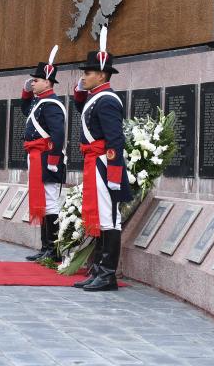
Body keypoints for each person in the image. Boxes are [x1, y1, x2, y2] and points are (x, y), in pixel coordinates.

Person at [72, 27, 130, 291]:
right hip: (95, 163)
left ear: (102, 75)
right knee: (100, 217)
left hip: (105, 165)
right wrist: (81, 88)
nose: (83, 77)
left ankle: (108, 274)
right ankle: (98, 269)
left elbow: (115, 139)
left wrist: (114, 173)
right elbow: (80, 106)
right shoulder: (95, 98)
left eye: (87, 73)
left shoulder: (107, 100)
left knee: (109, 218)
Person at [21, 46, 67, 263]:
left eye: (37, 80)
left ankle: (54, 249)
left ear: (48, 82)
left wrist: (54, 161)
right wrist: (25, 91)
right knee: (41, 201)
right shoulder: (38, 102)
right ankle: (45, 247)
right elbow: (25, 112)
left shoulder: (51, 104)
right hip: (37, 157)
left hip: (48, 159)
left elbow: (58, 135)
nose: (33, 83)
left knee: (50, 203)